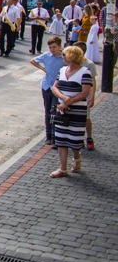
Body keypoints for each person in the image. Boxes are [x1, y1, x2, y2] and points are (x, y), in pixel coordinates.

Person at [49, 46, 92, 178]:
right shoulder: (62, 70)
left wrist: (69, 102)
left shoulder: (85, 72)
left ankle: (77, 158)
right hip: (62, 110)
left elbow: (85, 92)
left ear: (71, 57)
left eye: (64, 54)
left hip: (77, 111)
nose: (62, 56)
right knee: (61, 139)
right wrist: (63, 98)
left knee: (74, 139)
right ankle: (62, 168)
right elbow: (54, 87)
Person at [30, 36, 66, 146]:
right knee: (47, 112)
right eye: (50, 47)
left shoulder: (64, 57)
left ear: (60, 46)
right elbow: (33, 61)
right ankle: (48, 135)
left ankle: (55, 135)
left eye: (54, 47)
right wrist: (43, 69)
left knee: (54, 111)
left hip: (57, 88)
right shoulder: (46, 55)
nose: (52, 50)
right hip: (46, 86)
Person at [72, 42, 98, 150]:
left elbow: (93, 81)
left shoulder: (89, 64)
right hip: (74, 94)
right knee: (75, 117)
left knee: (86, 117)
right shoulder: (71, 62)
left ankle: (89, 137)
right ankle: (78, 138)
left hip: (85, 94)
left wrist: (92, 97)